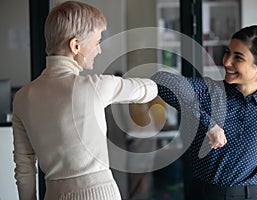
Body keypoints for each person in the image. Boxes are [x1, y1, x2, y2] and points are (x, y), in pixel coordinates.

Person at [12, 1, 158, 200]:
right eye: (97, 42)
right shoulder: (95, 87)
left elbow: (24, 167)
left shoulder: (22, 98)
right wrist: (162, 82)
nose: (99, 50)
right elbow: (148, 89)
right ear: (75, 45)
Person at [151, 25, 257, 199]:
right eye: (227, 52)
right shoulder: (207, 90)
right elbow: (161, 81)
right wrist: (208, 124)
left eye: (238, 57)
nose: (226, 62)